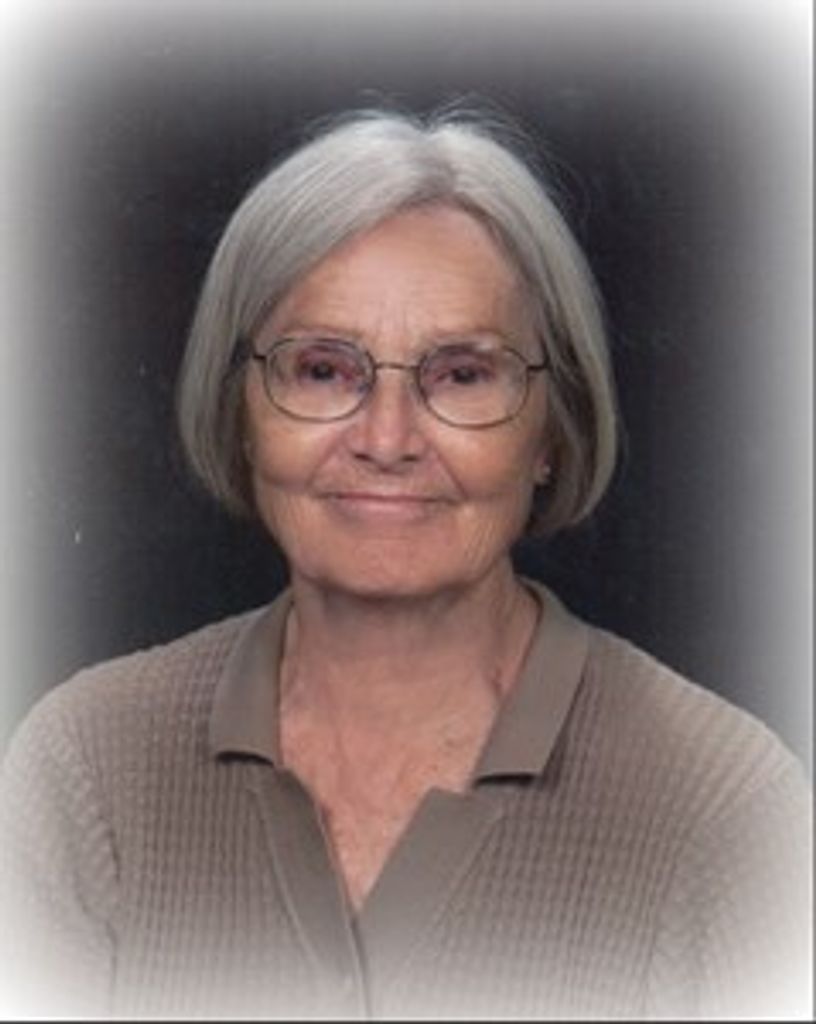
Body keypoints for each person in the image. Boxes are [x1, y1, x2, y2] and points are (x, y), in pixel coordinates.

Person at [0, 108, 810, 1020]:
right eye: (322, 370)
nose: (386, 441)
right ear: (241, 410)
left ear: (551, 430)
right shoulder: (87, 769)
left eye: (462, 374)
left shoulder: (724, 813)